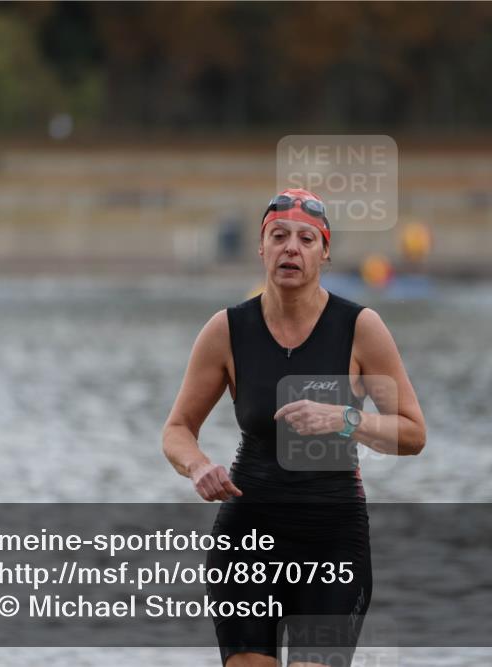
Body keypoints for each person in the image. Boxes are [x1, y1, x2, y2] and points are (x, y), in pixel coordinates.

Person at [162, 188, 427, 667]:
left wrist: (345, 419)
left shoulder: (360, 327)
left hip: (332, 538)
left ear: (324, 253)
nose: (291, 248)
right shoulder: (226, 330)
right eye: (279, 236)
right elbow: (177, 428)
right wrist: (197, 466)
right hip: (248, 535)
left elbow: (412, 434)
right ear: (261, 248)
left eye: (306, 239)